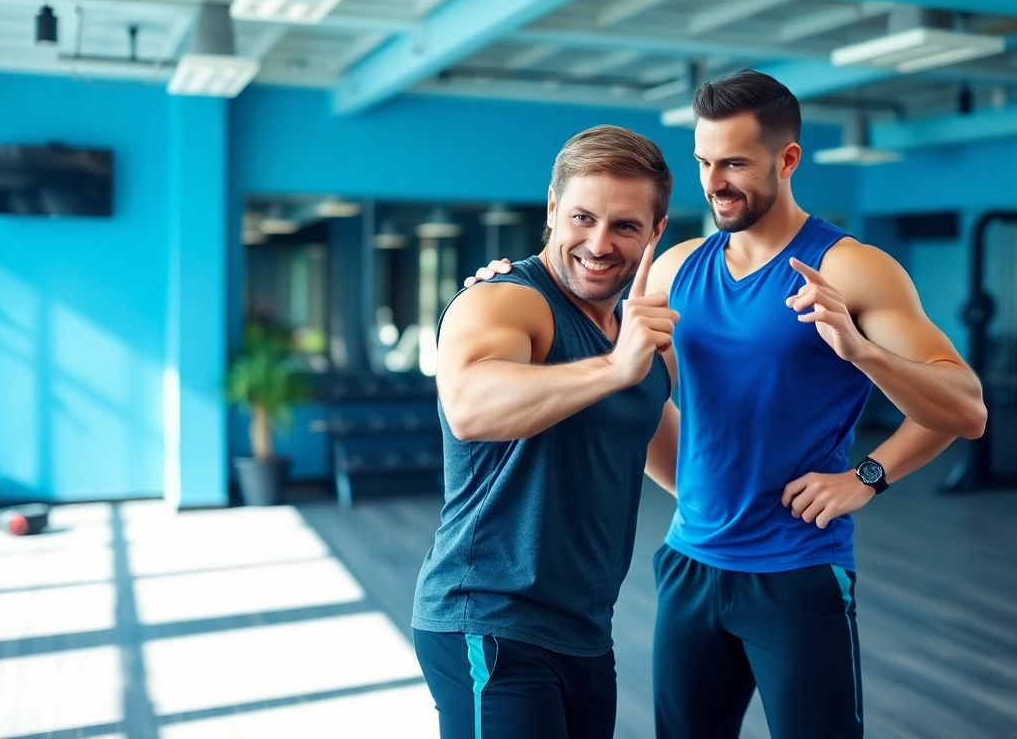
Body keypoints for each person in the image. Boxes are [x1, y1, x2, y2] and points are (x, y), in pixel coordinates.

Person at [467, 70, 987, 739]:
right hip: (690, 565)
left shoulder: (851, 268)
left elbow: (963, 407)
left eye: (735, 162)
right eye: (706, 162)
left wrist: (867, 459)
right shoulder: (675, 267)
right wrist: (505, 285)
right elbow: (606, 356)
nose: (715, 181)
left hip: (795, 571)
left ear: (788, 159)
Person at [412, 124, 682, 739]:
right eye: (583, 217)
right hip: (488, 617)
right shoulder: (507, 301)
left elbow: (684, 466)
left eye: (625, 226)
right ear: (554, 208)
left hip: (587, 634)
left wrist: (850, 477)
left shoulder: (643, 343)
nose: (599, 242)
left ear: (655, 232)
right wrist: (614, 369)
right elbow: (470, 407)